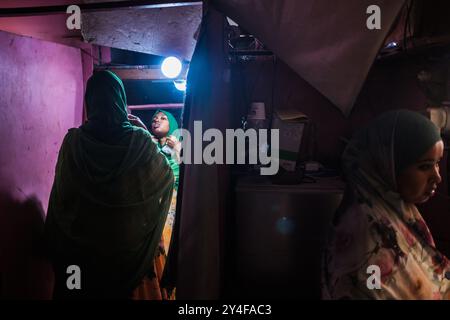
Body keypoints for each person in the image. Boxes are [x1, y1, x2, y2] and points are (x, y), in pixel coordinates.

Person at [44, 70, 174, 299]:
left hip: (81, 251)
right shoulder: (138, 140)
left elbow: (61, 196)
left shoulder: (74, 141)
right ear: (120, 100)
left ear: (90, 102)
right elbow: (165, 176)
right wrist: (143, 131)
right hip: (126, 250)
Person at [322, 109, 450, 299]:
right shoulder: (369, 235)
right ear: (387, 165)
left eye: (437, 163)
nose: (437, 177)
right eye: (424, 166)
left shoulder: (392, 209)